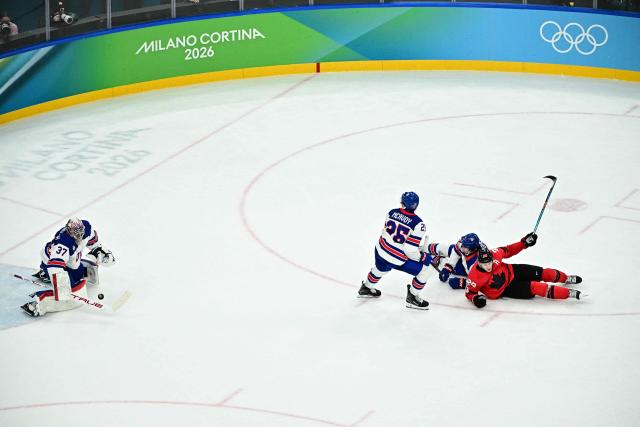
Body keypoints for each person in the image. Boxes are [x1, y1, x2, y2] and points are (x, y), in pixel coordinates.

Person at [359, 191, 441, 310]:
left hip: (380, 249)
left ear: (403, 203)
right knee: (425, 270)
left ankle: (366, 287)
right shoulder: (419, 224)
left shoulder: (391, 212)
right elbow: (409, 250)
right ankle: (413, 297)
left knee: (381, 268)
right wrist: (424, 257)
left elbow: (390, 234)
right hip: (395, 258)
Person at [21, 217, 116, 317]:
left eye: (80, 232)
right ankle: (39, 304)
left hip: (69, 261)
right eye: (75, 233)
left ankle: (46, 275)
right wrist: (62, 287)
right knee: (71, 293)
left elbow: (95, 244)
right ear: (68, 230)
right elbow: (54, 267)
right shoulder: (63, 242)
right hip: (51, 262)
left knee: (81, 274)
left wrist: (102, 252)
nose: (78, 236)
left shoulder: (86, 227)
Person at [465, 233, 582, 308]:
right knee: (537, 287)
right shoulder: (474, 277)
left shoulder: (495, 253)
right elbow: (470, 293)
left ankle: (566, 278)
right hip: (506, 289)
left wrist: (524, 243)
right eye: (485, 264)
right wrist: (476, 299)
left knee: (543, 273)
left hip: (513, 270)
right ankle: (569, 293)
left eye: (490, 262)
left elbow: (509, 250)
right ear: (479, 263)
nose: (489, 266)